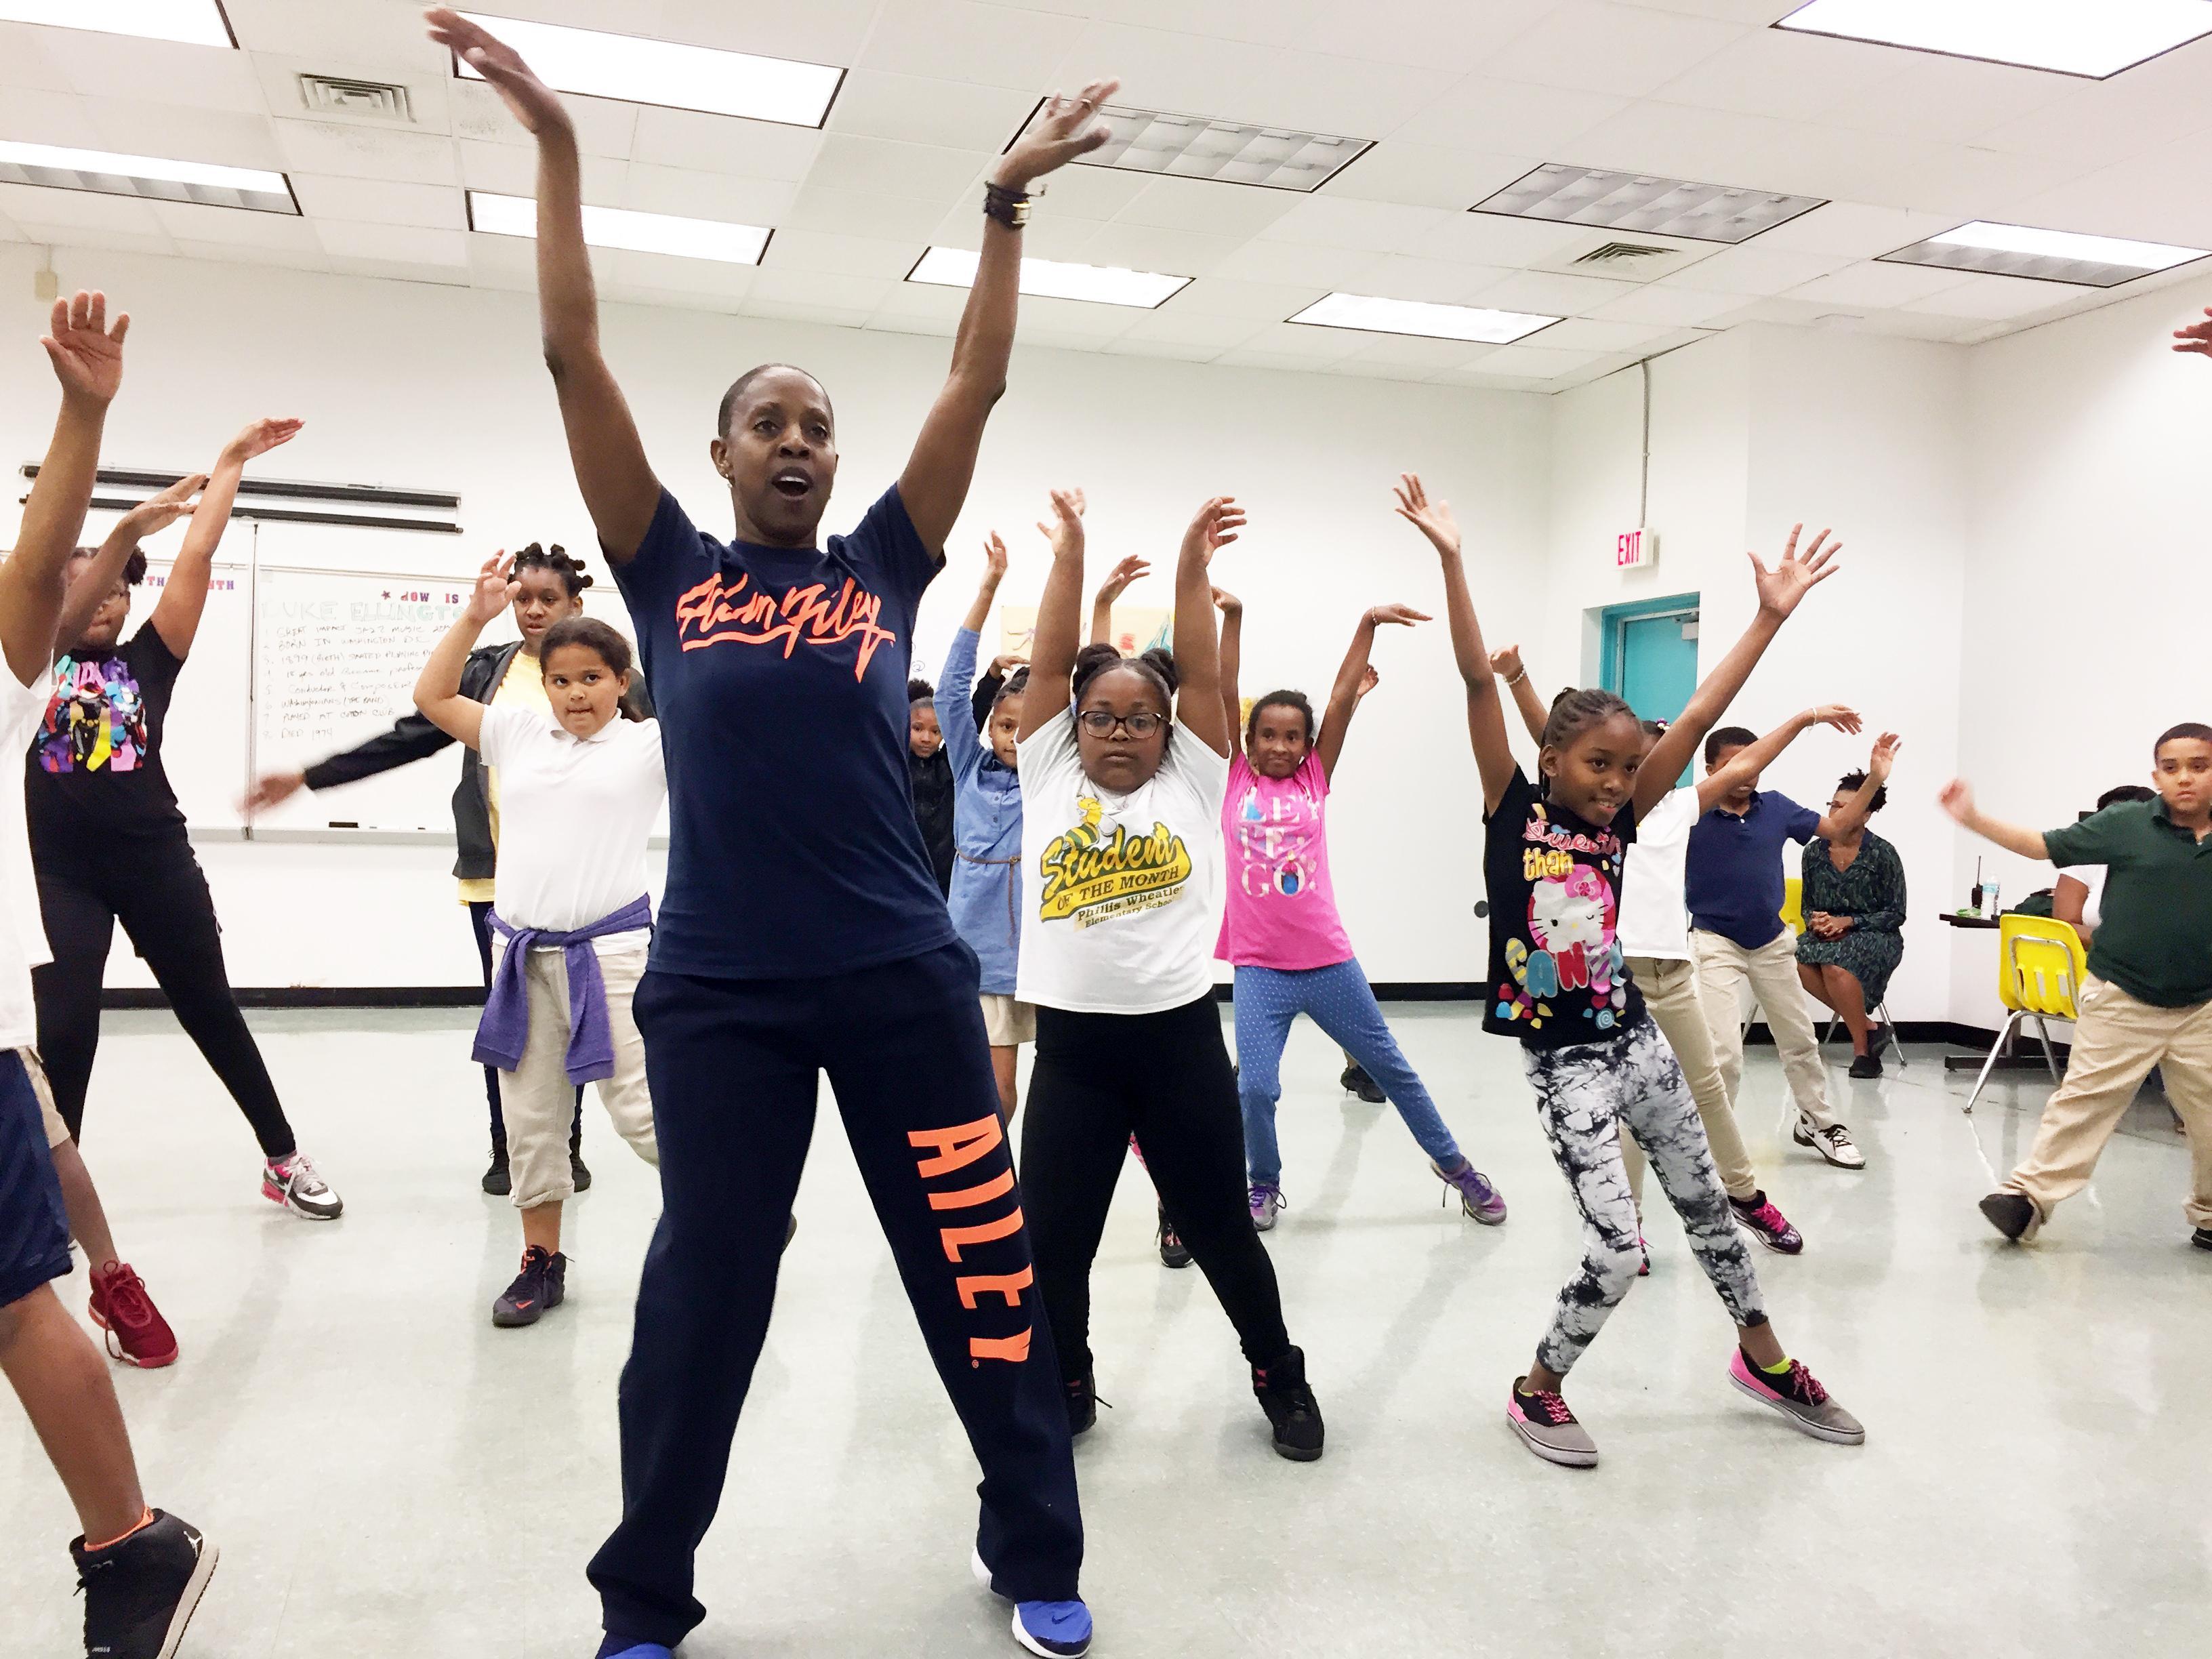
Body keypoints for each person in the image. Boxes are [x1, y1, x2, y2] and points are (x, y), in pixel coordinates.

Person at [422, 12, 1113, 1655]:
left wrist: (1004, 203)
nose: (799, 440)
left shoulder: (886, 566)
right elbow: (574, 359)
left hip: (900, 980)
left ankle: (1031, 1546)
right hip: (721, 988)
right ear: (724, 453)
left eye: (817, 424)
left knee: (983, 1272)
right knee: (701, 1295)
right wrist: (559, 151)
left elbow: (978, 377)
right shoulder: (665, 571)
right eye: (769, 423)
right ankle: (645, 1591)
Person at [1399, 472, 1864, 1468]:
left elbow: (1697, 717)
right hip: (1564, 1066)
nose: (1616, 784)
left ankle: (1766, 1363)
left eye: (1626, 767)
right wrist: (1452, 560)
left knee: (1711, 1219)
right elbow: (1482, 683)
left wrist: (1767, 621)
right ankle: (1538, 1388)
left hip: (1636, 1044)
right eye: (1597, 765)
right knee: (1616, 1249)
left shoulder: (1626, 822)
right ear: (1553, 759)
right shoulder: (1514, 817)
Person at [1016, 490, 1324, 1463]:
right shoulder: (1047, 770)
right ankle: (1069, 1380)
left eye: (1141, 719)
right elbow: (1056, 654)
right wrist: (1071, 556)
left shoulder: (1196, 776)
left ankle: (1280, 1374)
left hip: (1178, 1045)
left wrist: (1192, 568)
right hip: (1071, 1055)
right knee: (1053, 1247)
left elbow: (1193, 667)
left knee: (1222, 1232)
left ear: (1169, 730)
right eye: (1101, 717)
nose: (1120, 731)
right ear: (1074, 725)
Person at [2, 287, 216, 1659]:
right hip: (61, 908)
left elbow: (41, 582)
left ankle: (131, 1539)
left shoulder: (55, 652)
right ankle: (133, 1538)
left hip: (147, 873)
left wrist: (86, 414)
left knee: (20, 1294)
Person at [30, 412, 344, 1223]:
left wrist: (231, 463)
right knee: (66, 1031)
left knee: (209, 1007)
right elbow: (55, 611)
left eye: (120, 582)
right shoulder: (28, 669)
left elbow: (196, 556)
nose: (107, 596)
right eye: (87, 582)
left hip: (153, 862)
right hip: (59, 873)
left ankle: (283, 1157)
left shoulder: (149, 660)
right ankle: (56, 1196)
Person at [245, 541, 612, 1197]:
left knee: (572, 1018)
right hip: (495, 881)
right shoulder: (484, 674)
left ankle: (568, 1147)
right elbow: (411, 737)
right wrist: (309, 777)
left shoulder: (607, 679)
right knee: (511, 1021)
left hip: (578, 886)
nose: (531, 610)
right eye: (522, 598)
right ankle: (508, 1149)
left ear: (575, 606)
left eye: (546, 599)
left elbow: (668, 746)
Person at [1498, 657, 1855, 1258]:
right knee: (1634, 1106)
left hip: (1676, 969)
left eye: (1644, 764)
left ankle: (1744, 1197)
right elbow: (1552, 741)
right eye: (1623, 763)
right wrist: (1517, 681)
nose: (1636, 775)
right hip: (1622, 976)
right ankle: (1632, 1222)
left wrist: (1802, 720)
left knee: (1709, 1087)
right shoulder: (1602, 821)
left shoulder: (1680, 809)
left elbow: (1744, 763)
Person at [413, 558, 664, 1326]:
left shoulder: (651, 744)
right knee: (532, 1124)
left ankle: (735, 1217)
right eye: (561, 680)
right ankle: (540, 1265)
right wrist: (475, 616)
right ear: (542, 685)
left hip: (613, 956)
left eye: (592, 677)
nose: (576, 694)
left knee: (646, 1112)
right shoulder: (517, 733)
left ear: (621, 682)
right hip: (522, 958)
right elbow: (430, 698)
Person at [1212, 582, 1506, 1229]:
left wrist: (1367, 622)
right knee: (1255, 1088)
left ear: (1307, 744)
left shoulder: (1317, 776)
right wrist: (1233, 615)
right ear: (1250, 739)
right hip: (1259, 968)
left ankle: (1456, 1167)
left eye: (1294, 737)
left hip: (1328, 961)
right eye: (1268, 735)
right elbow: (1221, 690)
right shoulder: (1233, 778)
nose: (1281, 747)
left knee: (1393, 1070)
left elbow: (1342, 698)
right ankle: (1263, 1184)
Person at [1940, 726, 2212, 1248]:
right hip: (2123, 995)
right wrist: (1972, 818)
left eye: (2199, 766)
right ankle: (2026, 1198)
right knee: (2083, 1101)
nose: (2184, 778)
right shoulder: (2128, 824)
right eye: (2172, 767)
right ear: (2156, 775)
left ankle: (2209, 1215)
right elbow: (2042, 845)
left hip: (2202, 1005)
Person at [1685, 723, 1892, 1171]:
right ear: (1709, 770)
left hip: (1771, 943)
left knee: (1800, 1041)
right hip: (1714, 941)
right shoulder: (1691, 812)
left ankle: (1818, 1123)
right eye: (1734, 765)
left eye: (1755, 763)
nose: (1747, 774)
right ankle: (1711, 1143)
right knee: (1723, 1055)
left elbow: (1837, 826)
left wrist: (1874, 779)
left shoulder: (1775, 808)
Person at [940, 531, 1031, 1122]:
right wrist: (988, 589)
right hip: (973, 952)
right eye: (1003, 725)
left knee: (1046, 1089)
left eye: (1027, 728)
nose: (1013, 738)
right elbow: (951, 688)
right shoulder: (969, 768)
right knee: (987, 1091)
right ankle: (996, 1188)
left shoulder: (1048, 781)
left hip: (1041, 954)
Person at [1797, 767, 1909, 1078]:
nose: (1835, 812)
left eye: (1845, 808)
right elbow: (1808, 906)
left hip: (1875, 934)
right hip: (1827, 933)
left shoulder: (1883, 854)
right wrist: (1816, 921)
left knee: (1835, 965)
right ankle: (1870, 1027)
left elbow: (1895, 913)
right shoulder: (1813, 853)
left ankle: (1863, 1052)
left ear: (1866, 814)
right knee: (1791, 958)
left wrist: (1848, 921)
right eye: (1833, 805)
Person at [2053, 785, 2158, 945]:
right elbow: (2064, 927)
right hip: (2091, 963)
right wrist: (2116, 946)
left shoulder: (2170, 862)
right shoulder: (2082, 860)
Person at [909, 676, 956, 895]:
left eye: (935, 731)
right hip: (904, 871)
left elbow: (973, 716)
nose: (926, 738)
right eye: (917, 729)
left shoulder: (950, 763)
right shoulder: (894, 763)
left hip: (943, 876)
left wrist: (992, 678)